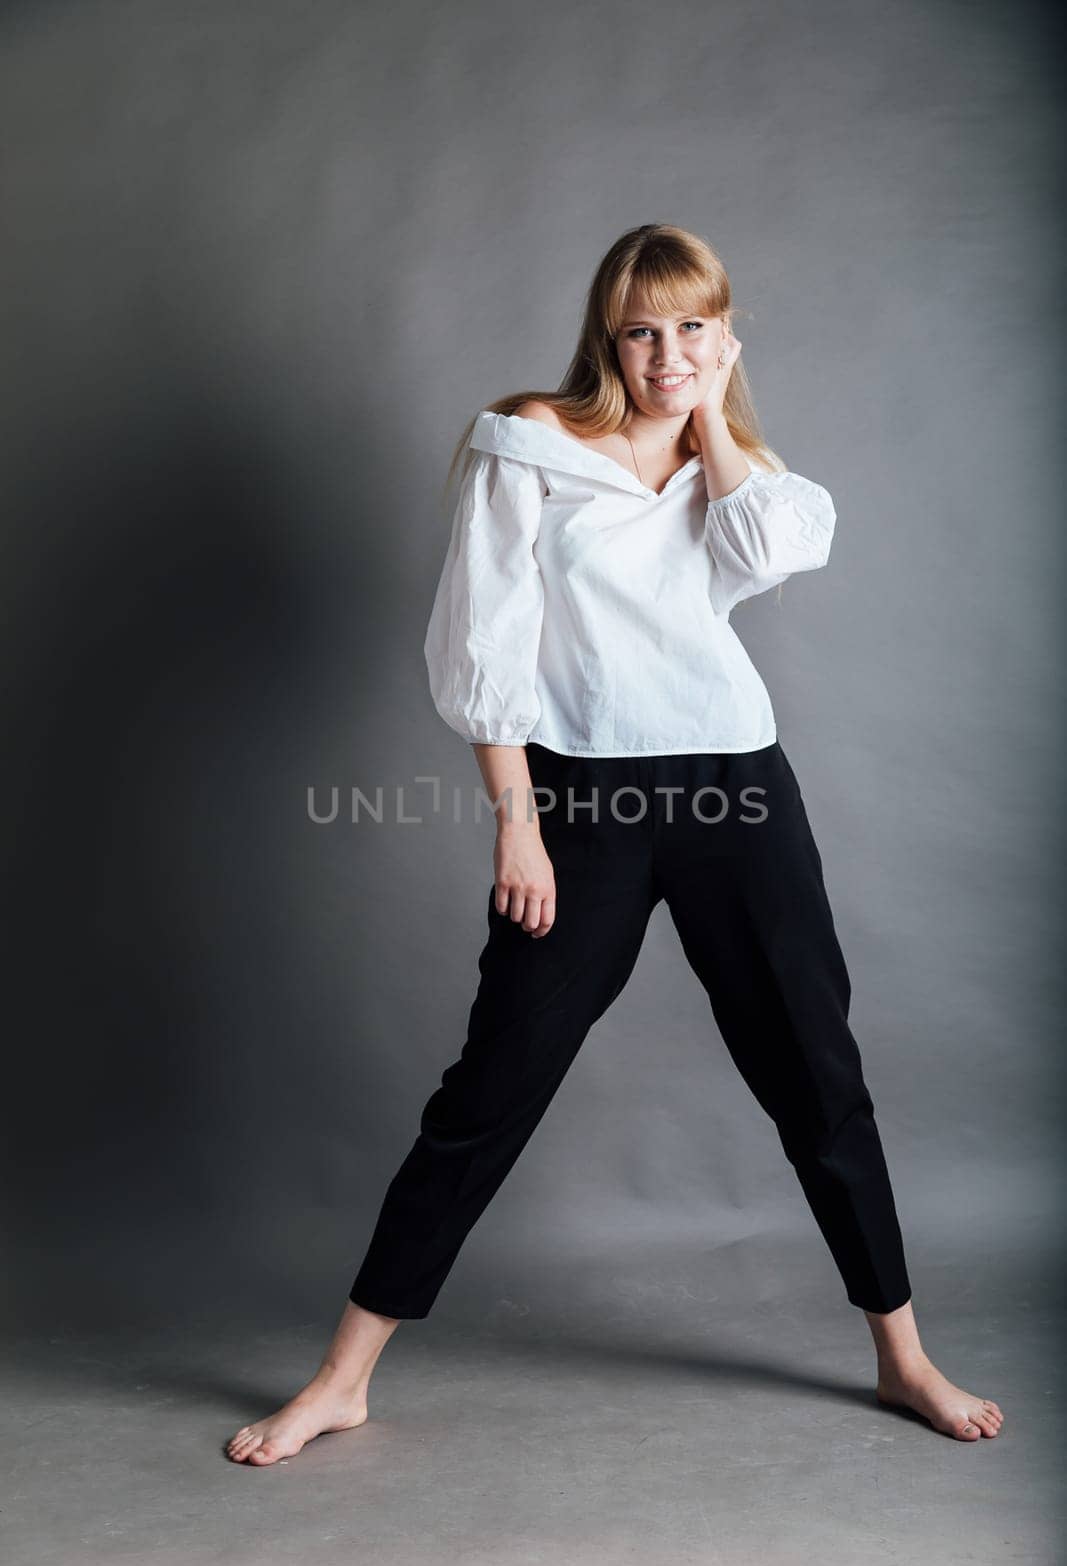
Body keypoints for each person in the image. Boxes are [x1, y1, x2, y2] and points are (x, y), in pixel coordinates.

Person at [226, 223, 1002, 1465]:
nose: (665, 351)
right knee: (490, 1087)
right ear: (606, 334)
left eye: (692, 325)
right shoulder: (529, 443)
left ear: (724, 333)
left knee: (815, 1069)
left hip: (735, 790)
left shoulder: (734, 464)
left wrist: (707, 419)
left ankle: (901, 1355)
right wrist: (517, 829)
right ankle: (340, 1378)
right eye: (642, 328)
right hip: (577, 802)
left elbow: (775, 552)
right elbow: (482, 647)